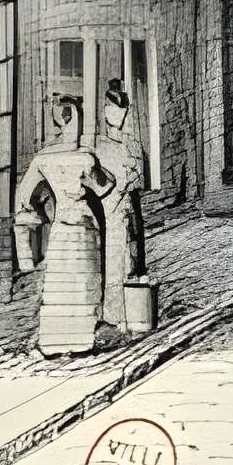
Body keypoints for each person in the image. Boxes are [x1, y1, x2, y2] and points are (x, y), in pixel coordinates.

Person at [12, 97, 114, 356]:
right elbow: (105, 187)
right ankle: (80, 341)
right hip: (84, 225)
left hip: (61, 229)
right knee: (80, 284)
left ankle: (56, 343)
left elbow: (24, 198)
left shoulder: (43, 158)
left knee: (61, 285)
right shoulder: (85, 156)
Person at [93, 78, 148, 334]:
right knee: (109, 258)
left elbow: (139, 178)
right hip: (105, 209)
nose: (116, 114)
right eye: (111, 108)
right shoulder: (97, 146)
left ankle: (130, 314)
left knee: (131, 259)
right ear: (104, 110)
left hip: (127, 207)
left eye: (120, 109)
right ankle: (111, 313)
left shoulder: (132, 146)